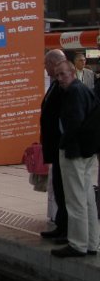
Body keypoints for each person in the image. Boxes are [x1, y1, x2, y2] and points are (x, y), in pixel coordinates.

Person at [50, 59, 99, 257]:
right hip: (86, 151)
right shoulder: (84, 89)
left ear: (72, 72)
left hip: (74, 152)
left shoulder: (73, 92)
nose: (60, 78)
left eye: (63, 74)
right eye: (57, 75)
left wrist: (65, 143)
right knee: (87, 198)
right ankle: (92, 243)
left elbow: (74, 123)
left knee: (75, 199)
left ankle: (78, 244)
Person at [39, 49, 69, 241]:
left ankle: (67, 229)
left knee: (64, 189)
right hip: (55, 145)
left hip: (61, 145)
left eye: (46, 64)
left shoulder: (65, 87)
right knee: (57, 187)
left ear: (53, 63)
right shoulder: (55, 85)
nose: (45, 67)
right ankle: (60, 225)